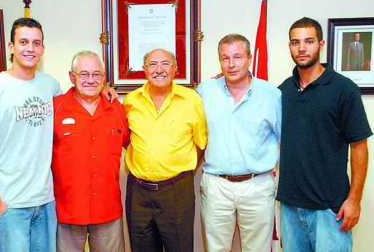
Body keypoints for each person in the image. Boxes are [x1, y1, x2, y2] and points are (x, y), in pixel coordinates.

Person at [277, 17, 372, 252]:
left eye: (308, 41)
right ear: (289, 46)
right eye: (295, 42)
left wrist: (354, 200)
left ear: (321, 44)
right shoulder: (282, 91)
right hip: (290, 207)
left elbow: (359, 147)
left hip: (330, 208)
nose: (301, 48)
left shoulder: (343, 89)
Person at [0, 17, 61, 252]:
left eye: (36, 43)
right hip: (11, 204)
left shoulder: (50, 85)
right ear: (11, 47)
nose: (30, 48)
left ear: (43, 48)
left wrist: (104, 90)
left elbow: (77, 104)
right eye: (23, 42)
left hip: (46, 202)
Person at [197, 34, 281, 252]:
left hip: (258, 186)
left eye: (237, 57)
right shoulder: (205, 92)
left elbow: (286, 141)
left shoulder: (271, 95)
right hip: (216, 185)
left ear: (250, 58)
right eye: (225, 58)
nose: (231, 64)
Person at [123, 48, 208, 252]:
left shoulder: (192, 100)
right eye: (152, 64)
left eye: (165, 64)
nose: (159, 69)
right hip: (138, 193)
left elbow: (201, 144)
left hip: (176, 192)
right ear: (144, 69)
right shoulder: (130, 101)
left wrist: (175, 169)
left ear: (175, 69)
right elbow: (127, 140)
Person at [52, 51, 130, 252]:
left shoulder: (116, 109)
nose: (90, 80)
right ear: (72, 77)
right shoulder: (55, 108)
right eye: (83, 74)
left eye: (96, 75)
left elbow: (134, 146)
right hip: (67, 210)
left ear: (104, 79)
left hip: (107, 210)